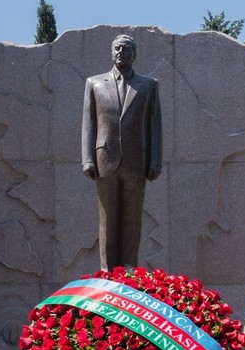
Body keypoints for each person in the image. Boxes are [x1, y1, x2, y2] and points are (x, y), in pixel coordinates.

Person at [81, 34, 162, 271]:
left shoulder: (149, 85)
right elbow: (89, 122)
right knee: (107, 219)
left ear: (134, 54)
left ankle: (129, 268)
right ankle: (107, 269)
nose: (120, 53)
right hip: (104, 159)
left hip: (137, 161)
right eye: (116, 48)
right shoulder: (94, 83)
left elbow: (154, 125)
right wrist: (87, 159)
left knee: (132, 219)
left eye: (126, 49)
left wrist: (155, 160)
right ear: (111, 52)